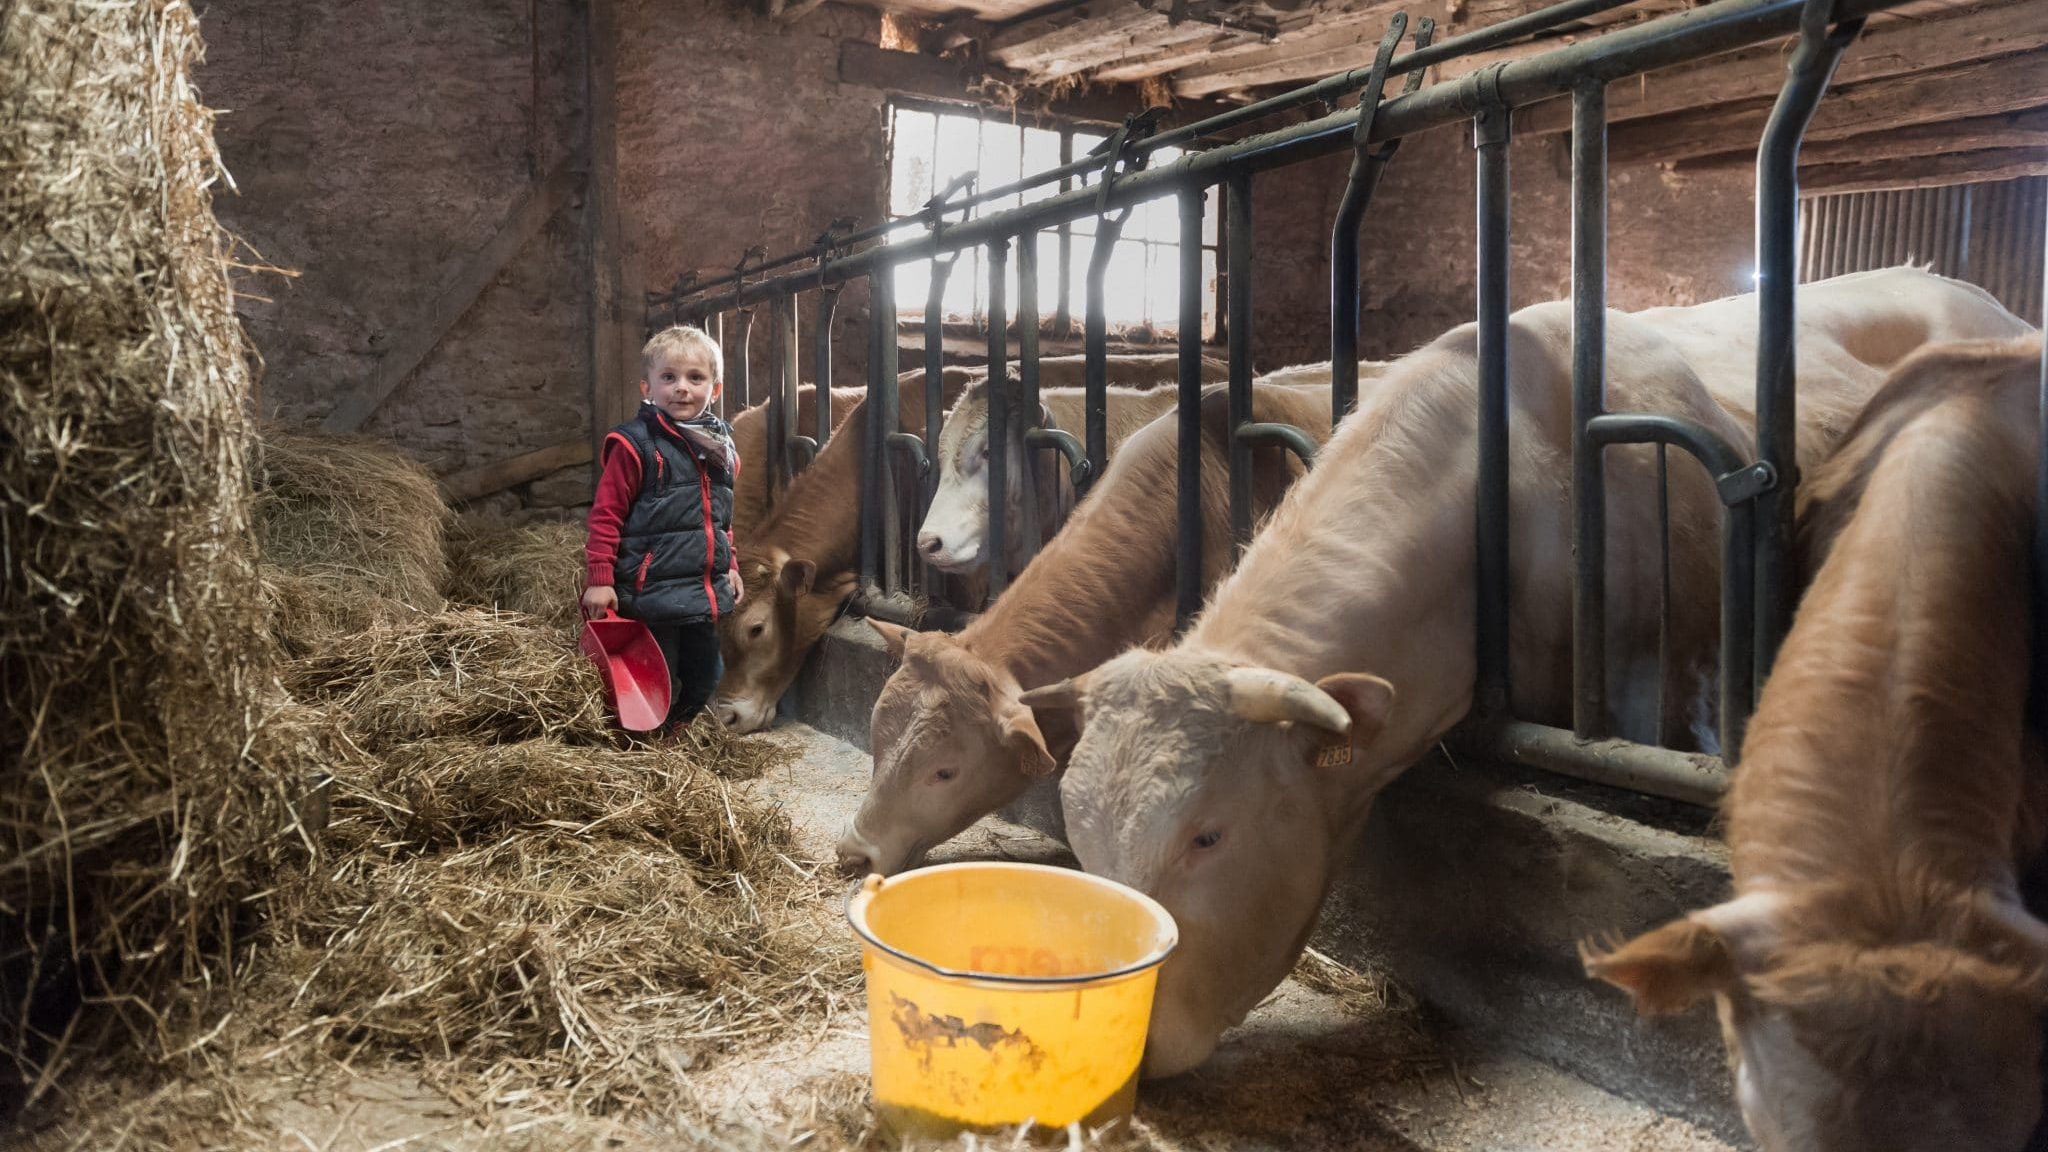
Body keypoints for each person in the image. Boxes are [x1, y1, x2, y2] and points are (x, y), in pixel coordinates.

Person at [582, 325, 743, 729]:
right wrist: (600, 578)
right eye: (668, 378)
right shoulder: (635, 446)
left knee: (707, 675)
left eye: (695, 378)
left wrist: (732, 566)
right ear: (647, 387)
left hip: (701, 591)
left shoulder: (720, 448)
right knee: (659, 675)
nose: (681, 388)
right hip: (650, 591)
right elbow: (606, 514)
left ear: (716, 389)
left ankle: (682, 735)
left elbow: (720, 518)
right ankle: (648, 743)